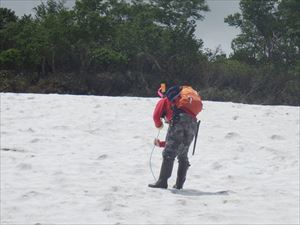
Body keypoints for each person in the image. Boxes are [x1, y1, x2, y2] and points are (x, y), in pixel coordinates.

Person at [149, 85, 201, 189]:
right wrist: (161, 144)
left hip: (179, 119)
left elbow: (156, 116)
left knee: (169, 153)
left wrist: (159, 125)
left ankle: (162, 182)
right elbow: (177, 143)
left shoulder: (164, 100)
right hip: (193, 123)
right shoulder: (182, 102)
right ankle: (179, 184)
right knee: (183, 153)